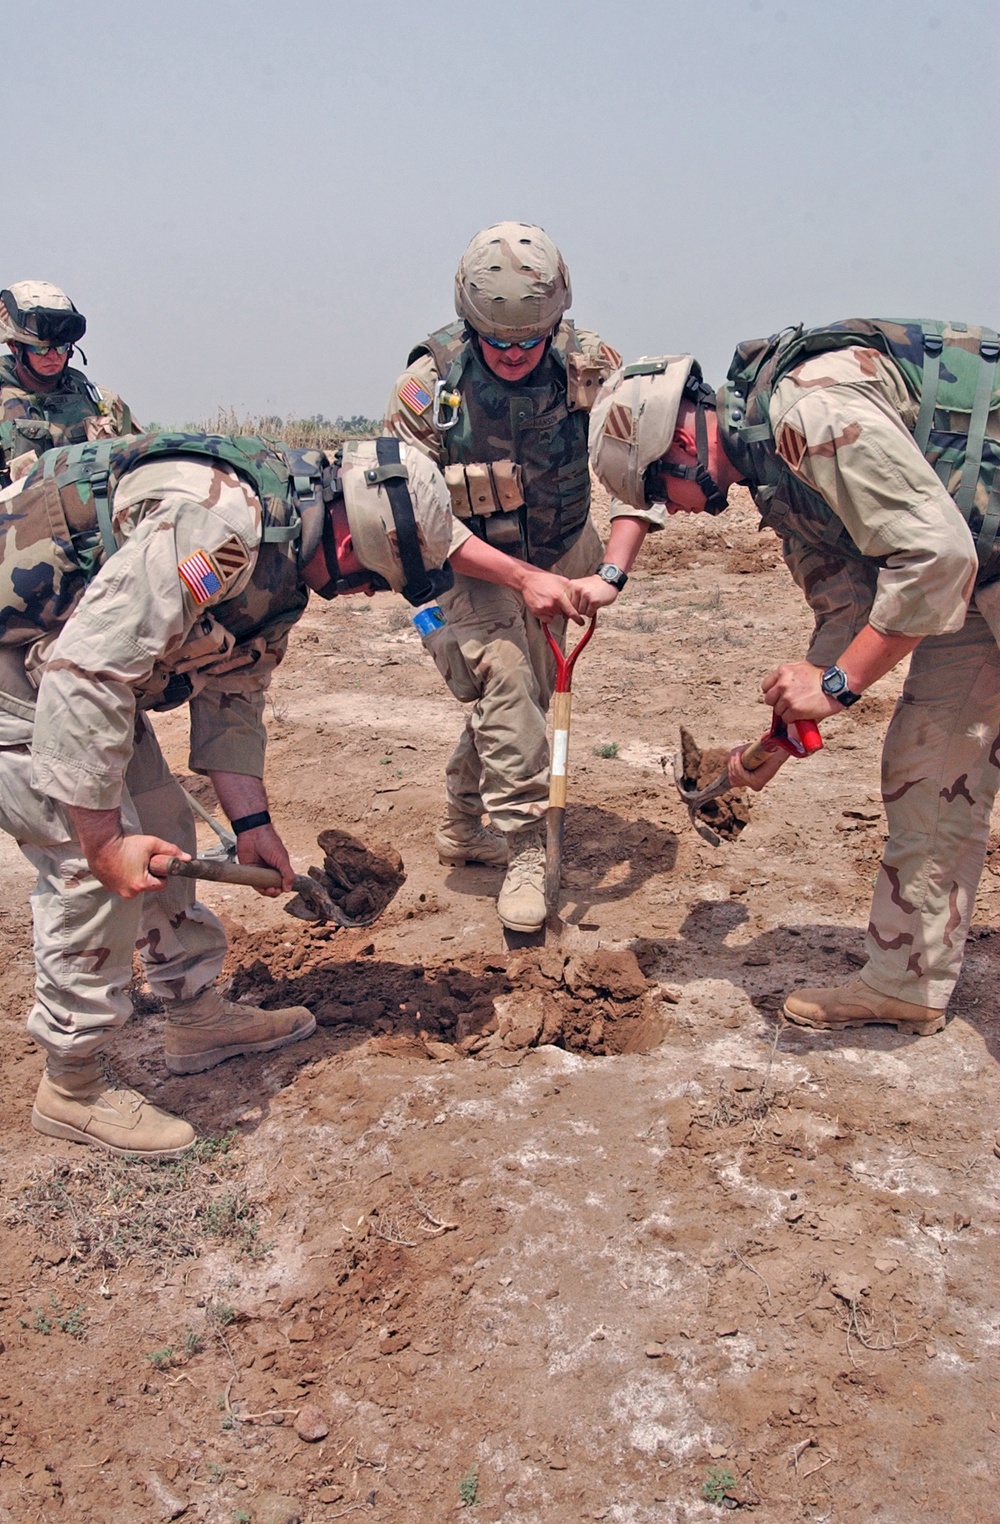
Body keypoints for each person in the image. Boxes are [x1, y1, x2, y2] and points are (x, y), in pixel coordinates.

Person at [0, 429, 455, 1157]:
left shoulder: (285, 562)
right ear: (358, 538)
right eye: (380, 575)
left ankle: (195, 1016)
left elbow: (233, 689)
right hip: (26, 668)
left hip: (74, 663)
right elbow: (87, 672)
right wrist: (101, 843)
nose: (373, 592)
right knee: (95, 874)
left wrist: (254, 823)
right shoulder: (220, 528)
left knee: (160, 824)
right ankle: (71, 1084)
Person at [585, 322, 1000, 1061]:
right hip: (982, 574)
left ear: (681, 445)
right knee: (928, 767)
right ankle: (907, 982)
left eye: (659, 490)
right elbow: (846, 610)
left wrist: (838, 686)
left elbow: (934, 557)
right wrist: (772, 745)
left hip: (965, 563)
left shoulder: (810, 413)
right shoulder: (770, 471)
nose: (672, 512)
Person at [385, 221, 656, 932]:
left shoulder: (593, 367)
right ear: (469, 324)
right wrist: (517, 577)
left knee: (530, 693)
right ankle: (528, 846)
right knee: (504, 675)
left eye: (528, 341)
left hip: (565, 546)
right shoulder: (425, 389)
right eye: (495, 342)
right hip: (463, 563)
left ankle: (463, 817)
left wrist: (611, 573)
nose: (511, 355)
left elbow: (636, 481)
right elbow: (417, 522)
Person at [0, 282, 137, 487]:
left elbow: (139, 468)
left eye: (62, 347)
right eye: (41, 350)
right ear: (14, 346)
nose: (54, 356)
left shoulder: (100, 402)